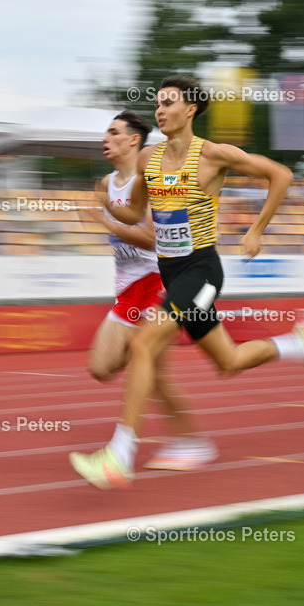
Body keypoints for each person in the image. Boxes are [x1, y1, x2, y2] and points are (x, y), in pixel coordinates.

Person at [70, 75, 304, 489]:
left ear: (190, 109)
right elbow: (135, 214)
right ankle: (296, 344)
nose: (160, 110)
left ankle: (118, 456)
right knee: (227, 361)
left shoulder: (213, 155)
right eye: (157, 103)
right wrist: (104, 210)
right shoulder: (148, 160)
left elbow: (280, 175)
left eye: (169, 103)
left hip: (202, 271)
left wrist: (256, 230)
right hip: (171, 270)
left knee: (143, 343)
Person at [82, 110, 217, 472]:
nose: (105, 139)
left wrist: (104, 220)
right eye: (105, 134)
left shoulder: (152, 180)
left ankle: (154, 447)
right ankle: (192, 441)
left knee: (153, 368)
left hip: (157, 281)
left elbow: (150, 238)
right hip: (127, 289)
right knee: (102, 367)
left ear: (133, 140)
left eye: (113, 133)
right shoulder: (105, 183)